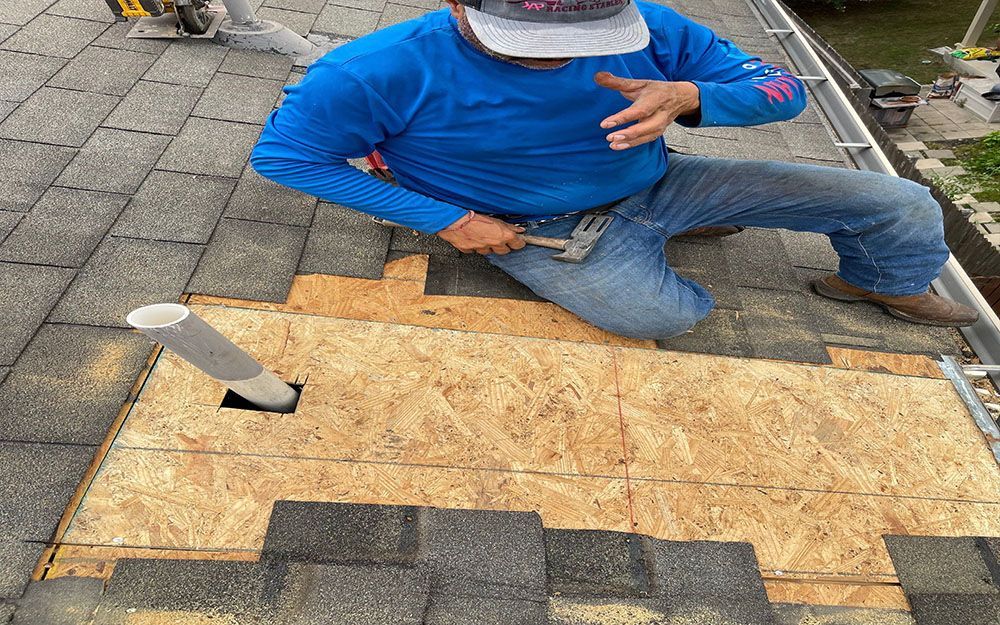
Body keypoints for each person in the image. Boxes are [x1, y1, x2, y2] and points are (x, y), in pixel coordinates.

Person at [250, 0, 978, 339]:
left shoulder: (655, 26)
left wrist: (697, 95)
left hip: (659, 179)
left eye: (579, 37)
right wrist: (451, 221)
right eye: (526, 40)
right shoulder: (372, 71)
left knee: (903, 204)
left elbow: (784, 89)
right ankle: (650, 239)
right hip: (528, 224)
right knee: (666, 318)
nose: (555, 57)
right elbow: (284, 157)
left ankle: (875, 285)